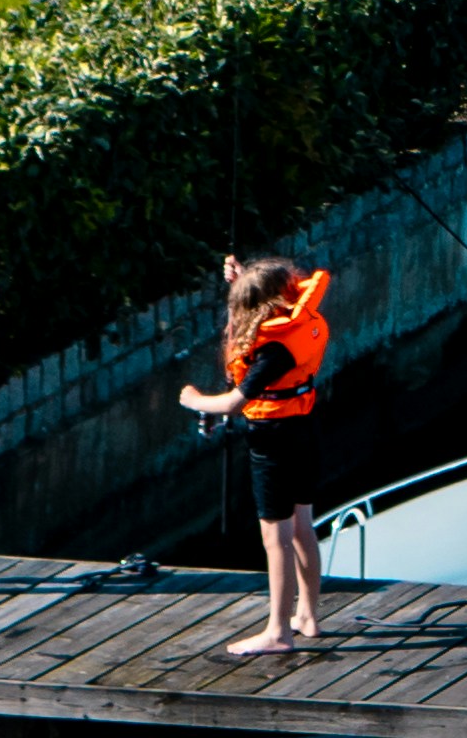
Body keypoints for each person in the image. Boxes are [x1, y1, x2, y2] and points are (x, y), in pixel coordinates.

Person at [178, 253, 333, 658]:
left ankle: (278, 631)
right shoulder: (296, 326)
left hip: (273, 440)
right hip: (305, 428)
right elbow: (252, 312)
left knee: (275, 537)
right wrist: (242, 279)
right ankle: (308, 617)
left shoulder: (271, 352)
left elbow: (232, 402)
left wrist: (195, 399)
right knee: (303, 525)